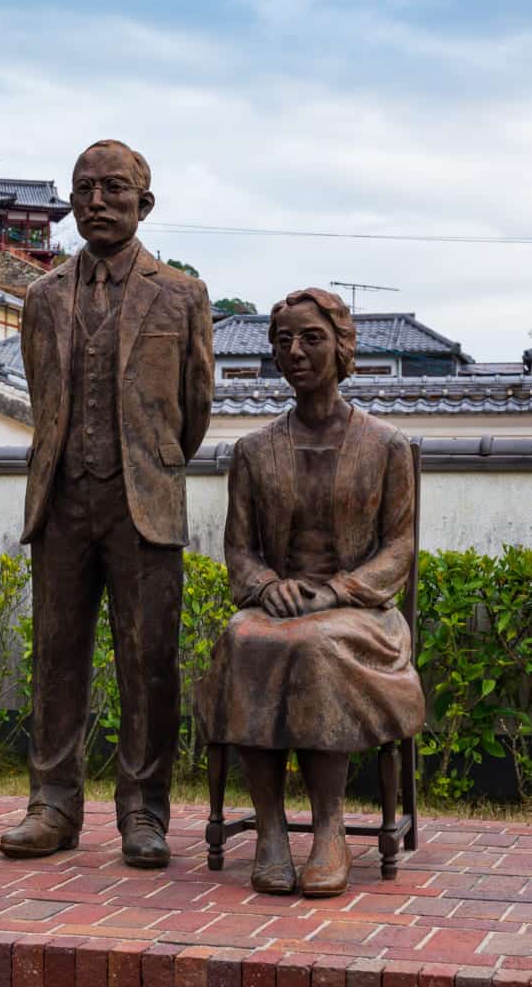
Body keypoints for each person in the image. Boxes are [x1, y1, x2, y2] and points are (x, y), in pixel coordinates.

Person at [0, 140, 214, 866]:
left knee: (148, 661)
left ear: (143, 204)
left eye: (113, 188)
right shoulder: (42, 296)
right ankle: (51, 804)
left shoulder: (182, 295)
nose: (95, 201)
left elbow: (196, 407)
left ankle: (145, 814)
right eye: (83, 188)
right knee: (57, 657)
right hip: (61, 498)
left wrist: (146, 459)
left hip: (143, 499)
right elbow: (43, 397)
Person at [195, 288, 425, 897]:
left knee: (317, 647)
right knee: (242, 637)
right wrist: (266, 585)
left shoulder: (386, 446)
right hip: (277, 610)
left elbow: (398, 550)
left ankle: (328, 831)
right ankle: (270, 830)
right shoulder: (253, 450)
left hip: (360, 617)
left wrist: (335, 592)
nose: (295, 351)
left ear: (342, 348)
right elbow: (239, 549)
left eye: (311, 338)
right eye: (284, 341)